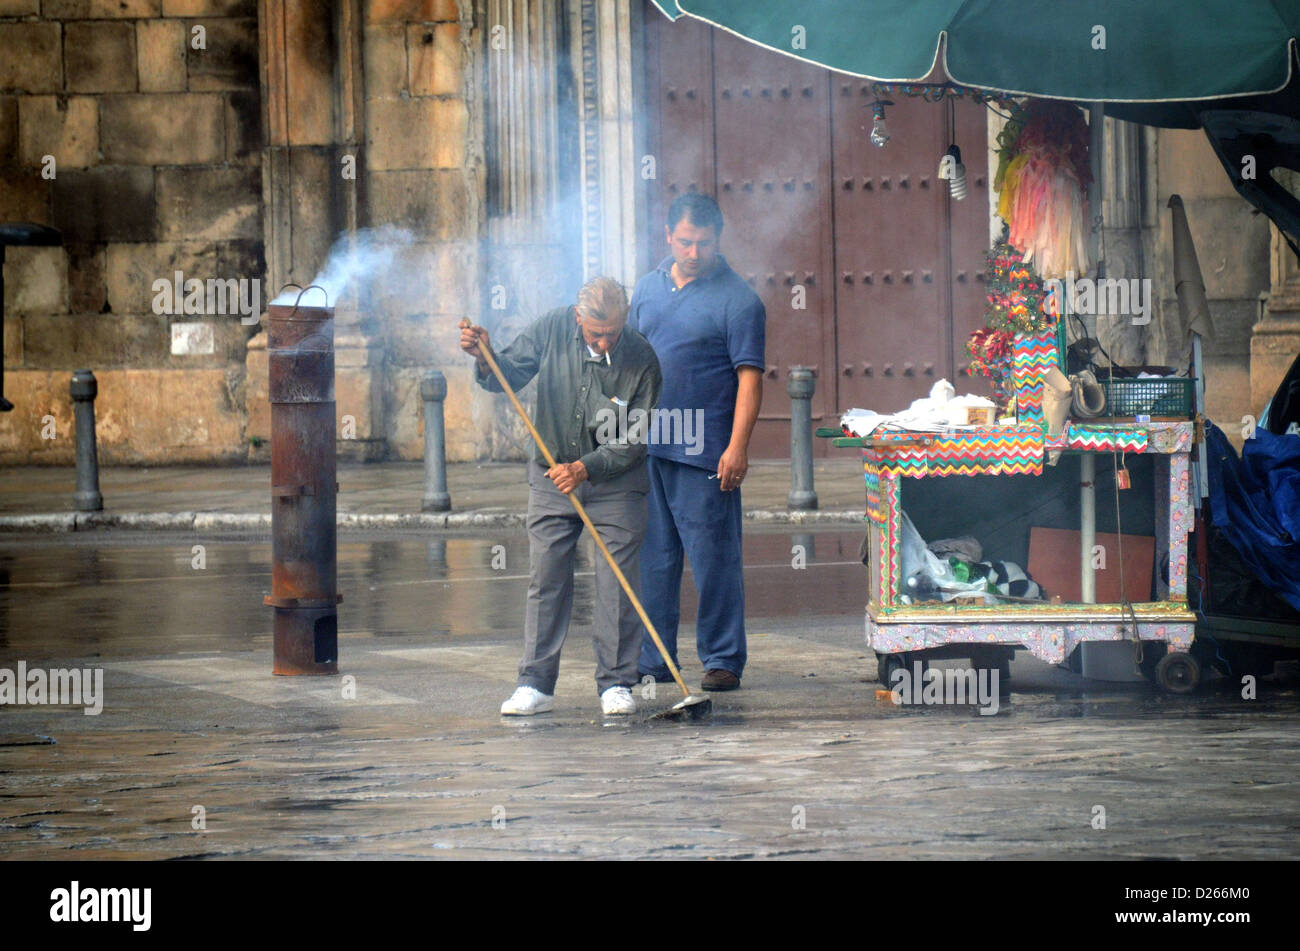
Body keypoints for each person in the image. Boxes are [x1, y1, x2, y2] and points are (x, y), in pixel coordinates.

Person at [460, 277, 662, 716]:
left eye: (612, 332)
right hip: (551, 473)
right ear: (578, 318)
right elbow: (506, 376)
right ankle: (535, 683)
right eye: (595, 333)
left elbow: (636, 436)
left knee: (616, 582)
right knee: (546, 576)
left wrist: (586, 468)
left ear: (625, 320)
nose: (605, 341)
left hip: (616, 483)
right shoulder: (551, 328)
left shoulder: (642, 357)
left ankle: (615, 683)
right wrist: (484, 356)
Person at [629, 193, 765, 692]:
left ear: (717, 240)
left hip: (706, 451)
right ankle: (655, 657)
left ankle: (723, 657)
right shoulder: (644, 290)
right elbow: (627, 363)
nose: (693, 252)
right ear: (668, 236)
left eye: (703, 243)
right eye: (684, 242)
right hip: (649, 449)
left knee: (714, 562)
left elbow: (749, 381)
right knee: (655, 561)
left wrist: (738, 447)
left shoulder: (739, 300)